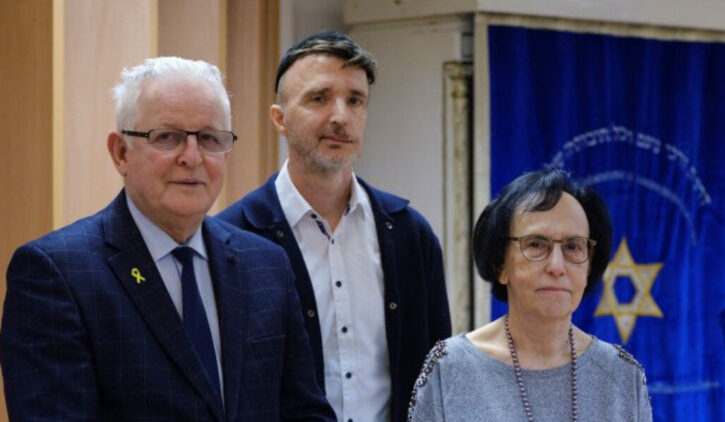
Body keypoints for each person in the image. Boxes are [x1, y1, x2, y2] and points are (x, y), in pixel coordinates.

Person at [0, 57, 335, 421]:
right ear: (121, 153)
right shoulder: (57, 275)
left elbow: (304, 412)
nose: (192, 157)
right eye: (167, 137)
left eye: (209, 138)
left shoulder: (267, 264)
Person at [218, 31, 451, 422]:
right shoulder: (231, 239)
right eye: (319, 98)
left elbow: (438, 374)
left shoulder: (411, 234)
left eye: (355, 100)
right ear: (279, 119)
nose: (341, 117)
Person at [408, 169, 652, 421]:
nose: (557, 266)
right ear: (500, 265)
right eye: (536, 244)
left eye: (573, 246)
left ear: (589, 266)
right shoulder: (450, 368)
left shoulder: (622, 375)